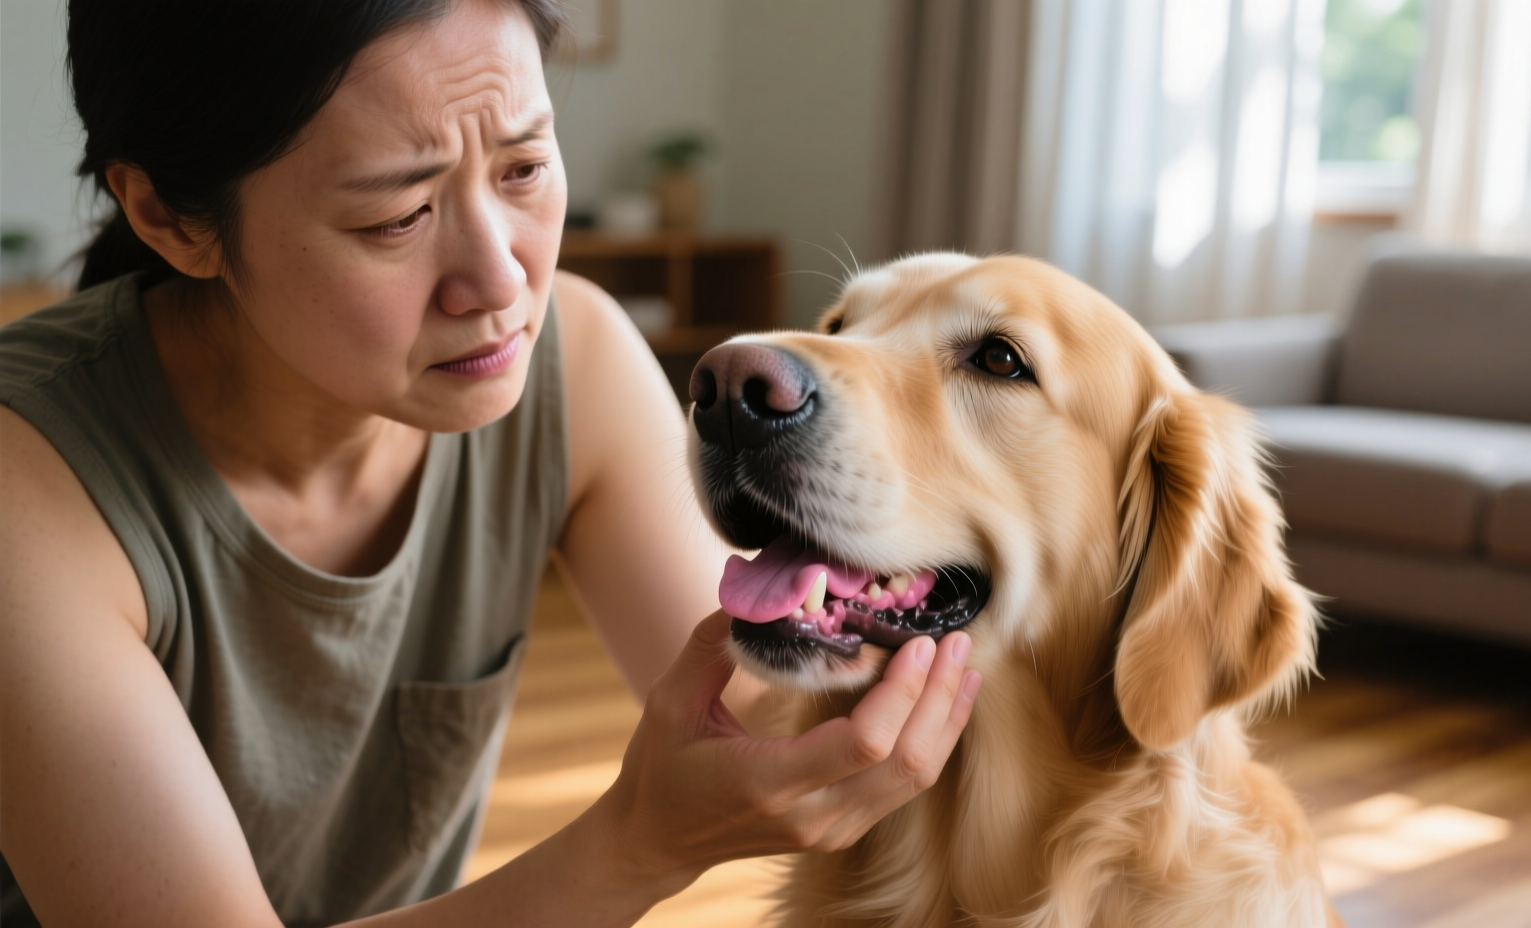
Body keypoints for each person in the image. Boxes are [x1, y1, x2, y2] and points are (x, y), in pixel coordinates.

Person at [0, 1, 981, 925]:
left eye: (521, 170)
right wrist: (637, 843)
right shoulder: (28, 481)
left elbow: (765, 713)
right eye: (397, 217)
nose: (503, 280)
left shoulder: (574, 360)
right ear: (171, 217)